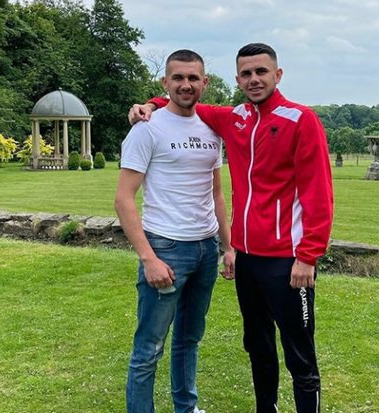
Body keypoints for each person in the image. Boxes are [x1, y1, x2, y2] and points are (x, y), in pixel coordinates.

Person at [129, 43, 333, 413]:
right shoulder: (234, 118)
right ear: (237, 79)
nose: (254, 79)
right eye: (246, 73)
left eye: (261, 72)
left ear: (277, 75)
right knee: (258, 346)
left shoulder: (300, 119)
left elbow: (318, 192)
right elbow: (184, 100)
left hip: (287, 260)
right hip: (248, 260)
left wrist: (308, 256)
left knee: (299, 353)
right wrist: (151, 104)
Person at [115, 49, 235, 413]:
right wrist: (148, 258)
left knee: (189, 339)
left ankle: (187, 407)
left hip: (205, 249)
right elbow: (123, 199)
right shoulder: (147, 128)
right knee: (149, 348)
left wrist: (228, 247)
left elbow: (215, 193)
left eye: (193, 78)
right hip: (165, 248)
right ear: (165, 82)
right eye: (178, 78)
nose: (186, 84)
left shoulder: (211, 129)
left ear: (204, 83)